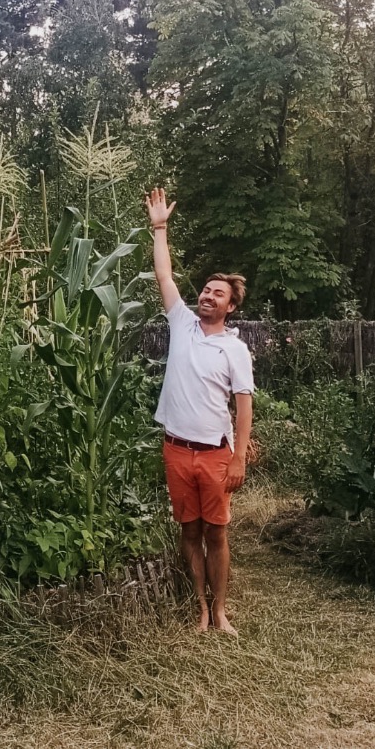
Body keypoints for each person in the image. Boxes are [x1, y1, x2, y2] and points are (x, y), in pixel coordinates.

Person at [146, 187, 254, 635]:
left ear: (231, 306)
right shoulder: (182, 324)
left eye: (218, 294)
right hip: (176, 449)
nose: (208, 296)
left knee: (217, 534)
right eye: (206, 290)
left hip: (214, 454)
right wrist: (159, 229)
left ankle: (222, 609)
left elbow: (244, 405)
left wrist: (239, 456)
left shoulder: (235, 348)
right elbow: (164, 275)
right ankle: (200, 609)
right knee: (189, 531)